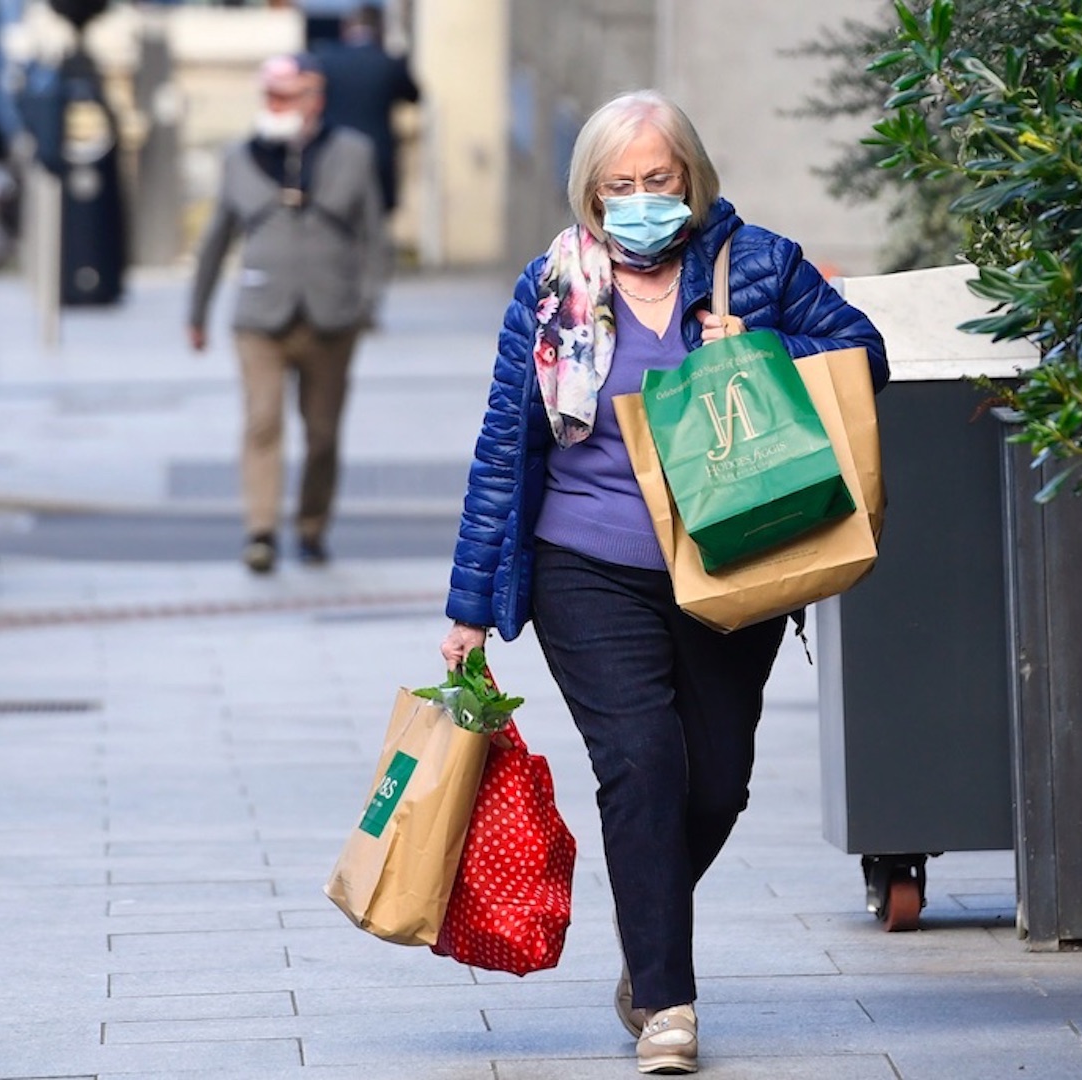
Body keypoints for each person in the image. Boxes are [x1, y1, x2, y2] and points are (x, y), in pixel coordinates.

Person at [438, 90, 886, 1075]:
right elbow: (504, 446)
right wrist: (469, 605)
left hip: (734, 560)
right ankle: (669, 1004)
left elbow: (867, 353)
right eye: (620, 186)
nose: (641, 200)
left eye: (659, 181)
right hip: (584, 564)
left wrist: (768, 350)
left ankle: (647, 939)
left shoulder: (758, 264)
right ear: (591, 193)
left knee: (715, 782)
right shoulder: (552, 285)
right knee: (641, 762)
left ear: (692, 177)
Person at [187, 53, 382, 574]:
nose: (272, 105)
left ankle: (312, 527)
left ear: (312, 100)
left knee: (322, 434)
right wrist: (197, 312)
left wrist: (369, 303)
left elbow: (372, 235)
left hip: (331, 316)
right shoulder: (241, 157)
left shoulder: (352, 153)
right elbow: (214, 239)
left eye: (284, 95)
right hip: (259, 315)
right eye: (268, 95)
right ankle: (261, 532)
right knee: (262, 421)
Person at [313, 3, 419, 217]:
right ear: (380, 30)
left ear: (347, 28)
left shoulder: (325, 60)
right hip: (377, 156)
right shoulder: (388, 63)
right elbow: (414, 96)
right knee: (375, 223)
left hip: (333, 155)